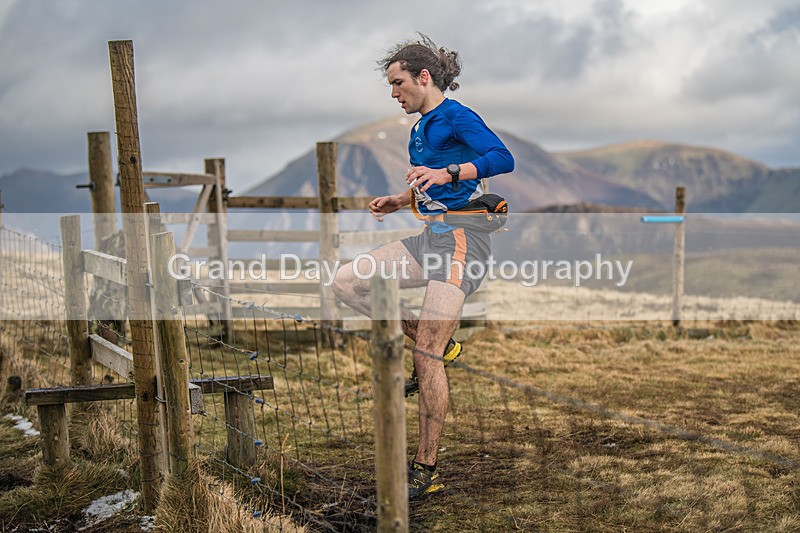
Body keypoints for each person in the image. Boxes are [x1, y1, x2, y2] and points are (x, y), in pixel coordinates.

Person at [332, 34, 514, 498]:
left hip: (462, 242)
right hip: (427, 237)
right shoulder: (419, 127)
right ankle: (437, 344)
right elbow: (430, 184)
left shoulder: (457, 115)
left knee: (425, 355)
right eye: (391, 86)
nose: (394, 94)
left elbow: (501, 158)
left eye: (398, 84)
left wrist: (449, 173)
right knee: (347, 283)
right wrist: (401, 199)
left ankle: (425, 467)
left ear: (423, 77)